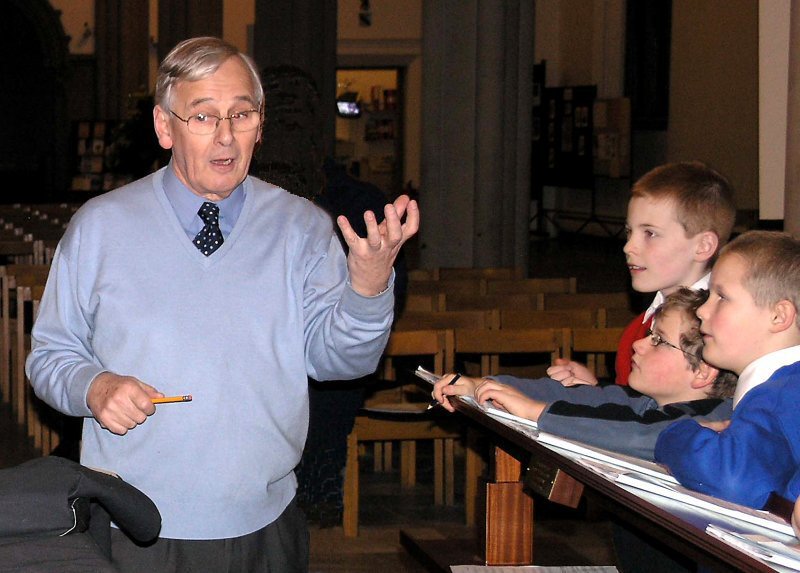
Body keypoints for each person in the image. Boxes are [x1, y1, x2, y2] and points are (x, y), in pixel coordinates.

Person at [25, 36, 419, 573]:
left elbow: (340, 362)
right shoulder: (101, 227)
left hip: (265, 523)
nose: (226, 135)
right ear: (165, 127)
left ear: (261, 123)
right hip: (135, 524)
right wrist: (94, 386)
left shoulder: (302, 226)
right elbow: (49, 356)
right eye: (203, 116)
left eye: (242, 113)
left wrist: (369, 286)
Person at [432, 287, 737, 460]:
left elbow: (636, 433)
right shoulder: (646, 402)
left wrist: (535, 412)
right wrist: (484, 385)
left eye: (658, 340)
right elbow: (582, 397)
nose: (640, 344)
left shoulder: (713, 420)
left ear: (702, 372)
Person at [547, 161, 736, 387]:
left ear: (703, 246)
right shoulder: (637, 332)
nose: (629, 247)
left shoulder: (723, 333)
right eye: (629, 232)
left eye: (650, 233)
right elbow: (637, 412)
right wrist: (594, 393)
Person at [655, 231, 800, 510]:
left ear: (778, 316)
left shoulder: (779, 395)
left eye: (721, 297)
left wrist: (676, 434)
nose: (702, 311)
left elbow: (733, 479)